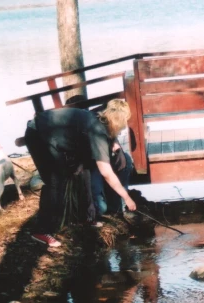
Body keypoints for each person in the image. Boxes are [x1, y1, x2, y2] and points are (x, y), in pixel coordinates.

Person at [25, 98, 137, 248]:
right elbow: (107, 173)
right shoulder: (98, 133)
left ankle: (86, 217)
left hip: (56, 137)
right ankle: (41, 231)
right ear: (118, 121)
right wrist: (127, 197)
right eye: (124, 122)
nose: (124, 126)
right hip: (39, 134)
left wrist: (114, 141)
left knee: (84, 169)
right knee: (56, 181)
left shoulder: (101, 116)